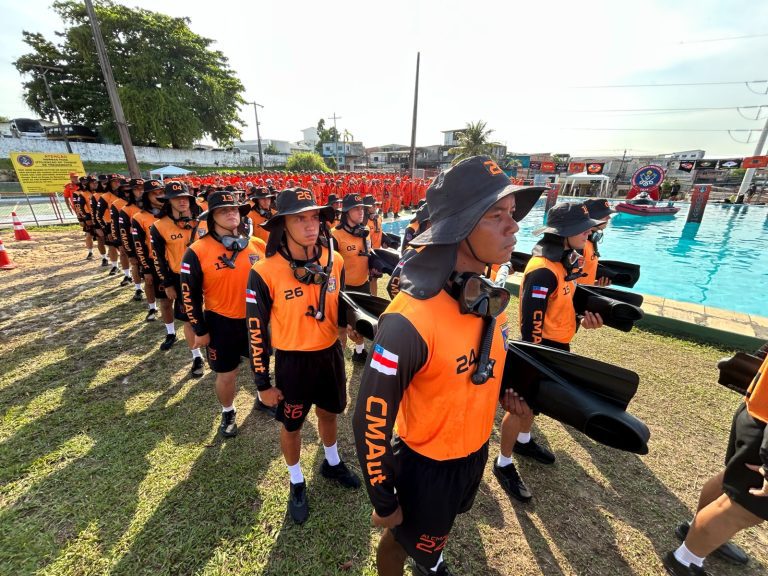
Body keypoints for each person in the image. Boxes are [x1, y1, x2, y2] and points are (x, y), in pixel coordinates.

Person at [353, 156, 544, 576]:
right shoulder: (410, 320)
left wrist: (511, 395)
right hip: (427, 467)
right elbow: (369, 418)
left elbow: (485, 364)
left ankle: (430, 557)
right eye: (496, 215)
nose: (513, 226)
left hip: (473, 452)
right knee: (402, 540)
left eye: (512, 214)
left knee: (433, 536)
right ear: (458, 227)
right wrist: (384, 500)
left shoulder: (489, 297)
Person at [246, 187, 361, 525]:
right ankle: (296, 481)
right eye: (301, 218)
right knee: (292, 424)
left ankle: (332, 461)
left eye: (314, 217)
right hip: (293, 362)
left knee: (329, 413)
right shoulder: (264, 271)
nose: (311, 225)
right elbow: (255, 330)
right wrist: (261, 383)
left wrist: (351, 325)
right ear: (283, 224)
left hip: (330, 355)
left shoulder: (334, 259)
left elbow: (339, 302)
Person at [495, 202, 605, 503]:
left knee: (534, 405)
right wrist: (536, 361)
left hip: (559, 345)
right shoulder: (543, 270)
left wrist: (583, 320)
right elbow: (532, 324)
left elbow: (564, 306)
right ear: (564, 233)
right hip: (540, 350)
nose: (589, 231)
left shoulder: (567, 260)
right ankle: (503, 462)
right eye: (583, 227)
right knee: (520, 406)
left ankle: (524, 441)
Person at [664, 347, 768, 575]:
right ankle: (685, 560)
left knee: (732, 481)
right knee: (746, 507)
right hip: (763, 425)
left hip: (757, 409)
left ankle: (695, 533)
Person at [181, 191, 268, 438]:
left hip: (256, 320)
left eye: (235, 209)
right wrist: (200, 329)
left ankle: (263, 397)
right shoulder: (197, 251)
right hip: (221, 323)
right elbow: (189, 295)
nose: (231, 213)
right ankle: (228, 411)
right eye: (223, 210)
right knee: (227, 374)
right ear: (211, 218)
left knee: (261, 364)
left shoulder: (256, 245)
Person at [150, 181, 204, 377]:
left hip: (210, 277)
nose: (182, 201)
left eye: (185, 197)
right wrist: (167, 283)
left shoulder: (204, 220)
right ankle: (196, 356)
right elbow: (157, 257)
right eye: (176, 198)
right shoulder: (159, 226)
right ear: (168, 201)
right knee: (189, 320)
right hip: (181, 278)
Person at [131, 180, 166, 321]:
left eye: (161, 192)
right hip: (154, 260)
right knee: (150, 283)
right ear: (147, 197)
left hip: (175, 259)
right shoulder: (139, 217)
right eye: (155, 194)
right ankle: (152, 308)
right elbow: (139, 244)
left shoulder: (173, 213)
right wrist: (145, 268)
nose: (159, 196)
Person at [118, 178, 147, 302]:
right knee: (135, 264)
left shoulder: (153, 207)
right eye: (136, 189)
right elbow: (123, 232)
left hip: (152, 243)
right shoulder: (126, 209)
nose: (140, 191)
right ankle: (138, 288)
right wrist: (129, 252)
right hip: (135, 243)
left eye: (142, 189)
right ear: (131, 191)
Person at [577, 198, 616, 287]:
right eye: (605, 214)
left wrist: (594, 284)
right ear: (593, 217)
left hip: (584, 292)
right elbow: (565, 279)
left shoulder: (591, 240)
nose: (609, 217)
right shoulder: (579, 243)